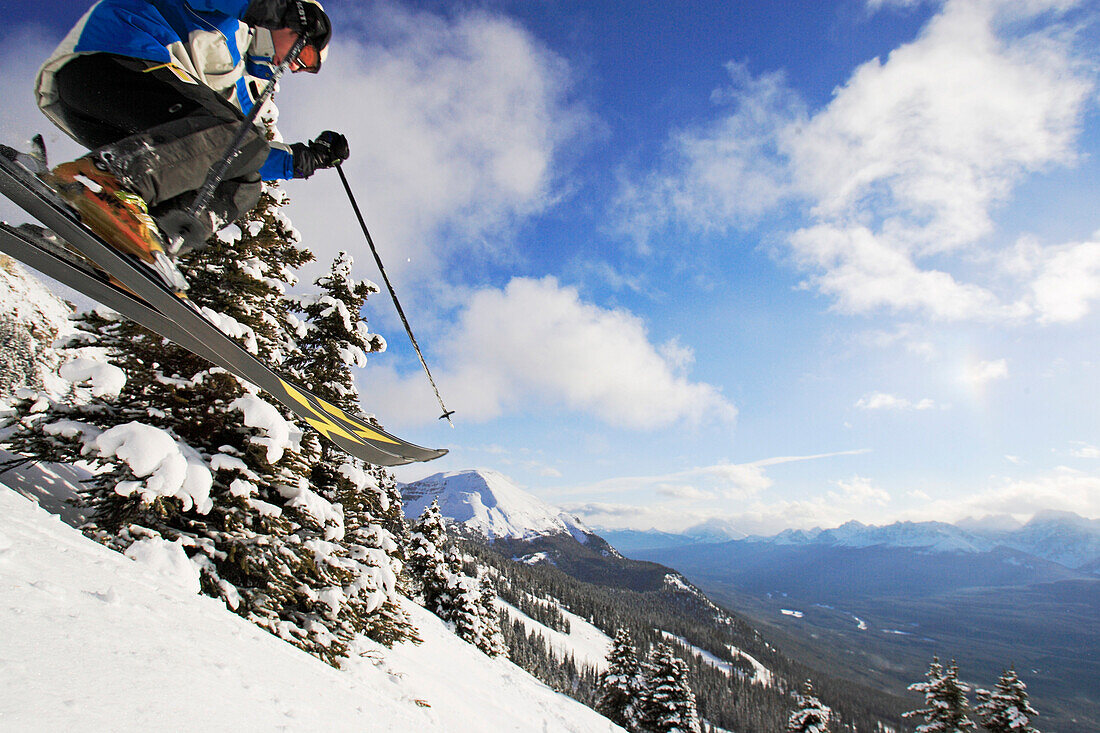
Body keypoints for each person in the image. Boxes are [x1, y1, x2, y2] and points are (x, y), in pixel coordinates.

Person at [33, 0, 348, 273]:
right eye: (305, 56)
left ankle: (141, 237)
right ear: (296, 26)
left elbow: (235, 151)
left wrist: (305, 159)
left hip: (128, 120)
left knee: (244, 180)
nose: (294, 66)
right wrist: (277, 8)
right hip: (110, 63)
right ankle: (112, 178)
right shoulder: (232, 20)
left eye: (302, 68)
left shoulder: (234, 78)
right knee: (239, 134)